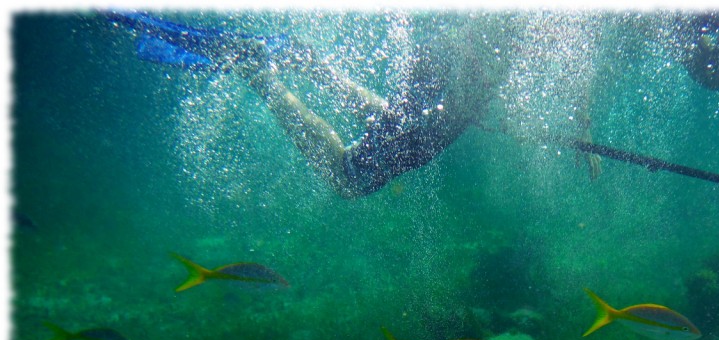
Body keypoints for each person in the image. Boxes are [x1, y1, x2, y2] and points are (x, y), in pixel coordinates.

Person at [109, 11, 519, 198]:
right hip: (446, 90)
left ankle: (311, 65)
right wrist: (466, 105)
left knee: (394, 119)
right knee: (350, 179)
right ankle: (259, 73)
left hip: (443, 67)